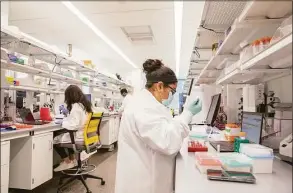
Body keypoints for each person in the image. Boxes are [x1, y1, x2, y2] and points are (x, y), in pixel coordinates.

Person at [115, 59, 202, 193]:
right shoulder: (143, 108)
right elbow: (167, 141)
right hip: (144, 185)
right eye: (172, 91)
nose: (171, 96)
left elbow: (165, 127)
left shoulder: (148, 104)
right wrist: (187, 114)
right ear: (159, 86)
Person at [53, 85, 92, 172]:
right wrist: (67, 117)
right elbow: (76, 120)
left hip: (78, 136)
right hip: (84, 136)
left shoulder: (76, 106)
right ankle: (73, 160)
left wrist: (61, 122)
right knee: (65, 135)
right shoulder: (83, 105)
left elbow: (73, 125)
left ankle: (66, 161)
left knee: (55, 139)